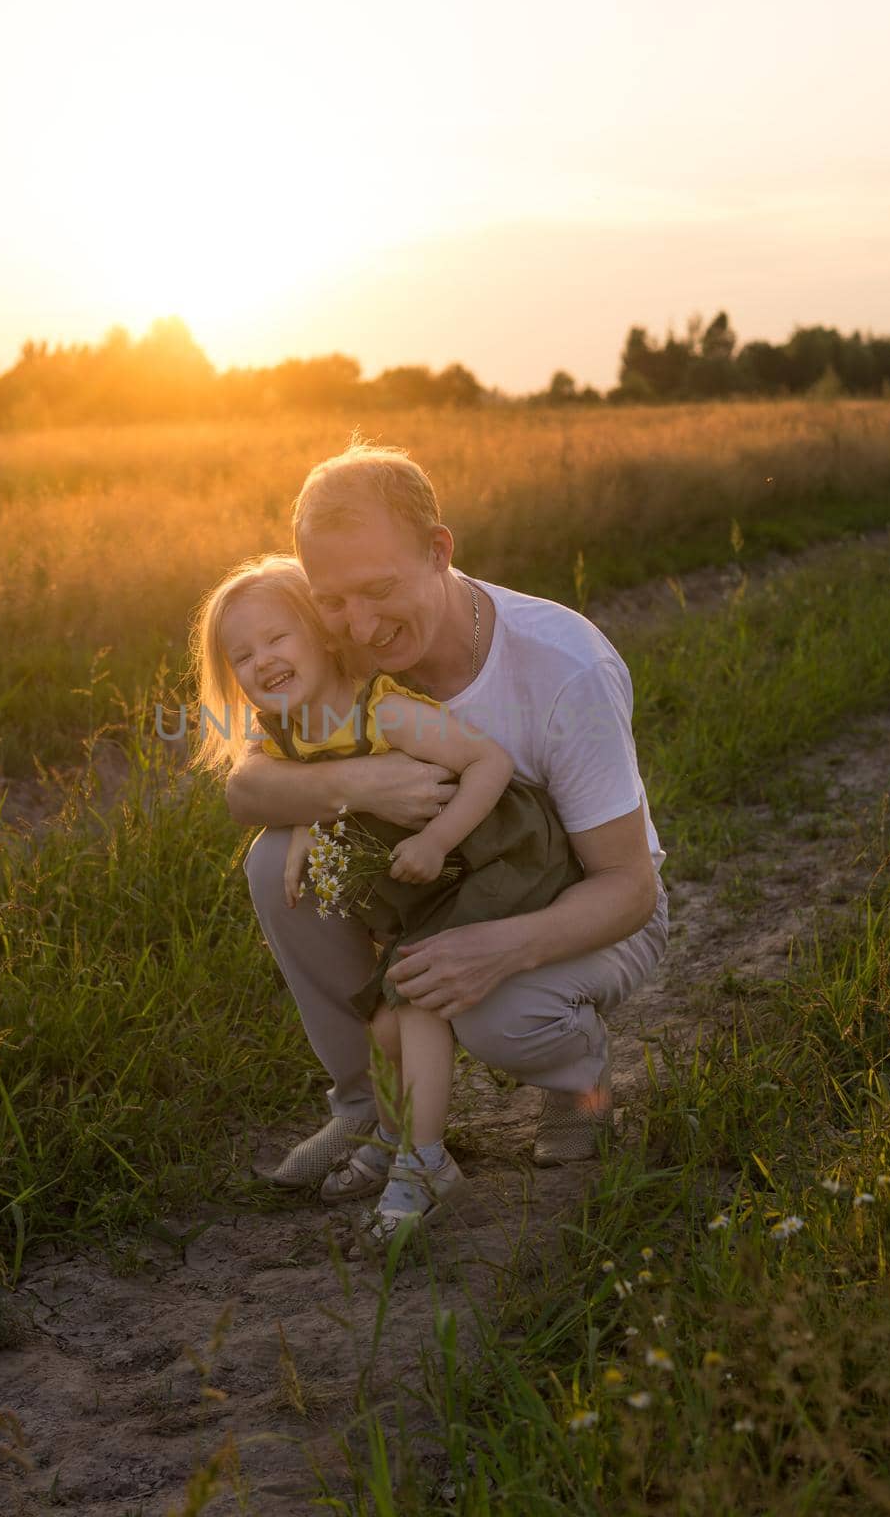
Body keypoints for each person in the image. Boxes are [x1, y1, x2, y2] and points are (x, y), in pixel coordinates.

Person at [221, 441, 669, 1193]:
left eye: (376, 589)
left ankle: (581, 1082)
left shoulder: (564, 668)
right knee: (274, 863)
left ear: (438, 551)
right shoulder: (337, 644)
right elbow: (247, 788)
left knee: (499, 1017)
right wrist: (361, 784)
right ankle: (370, 1108)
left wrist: (499, 948)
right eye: (331, 600)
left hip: (576, 898)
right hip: (430, 886)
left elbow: (628, 887)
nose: (357, 627)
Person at [189, 553, 585, 1239]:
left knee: (415, 994)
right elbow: (278, 786)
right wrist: (307, 823)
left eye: (277, 638)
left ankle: (425, 1160)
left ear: (322, 636)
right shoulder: (289, 731)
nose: (261, 661)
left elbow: (487, 764)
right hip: (430, 884)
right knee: (383, 1025)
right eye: (241, 654)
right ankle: (384, 1135)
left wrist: (437, 841)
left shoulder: (387, 711)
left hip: (494, 858)